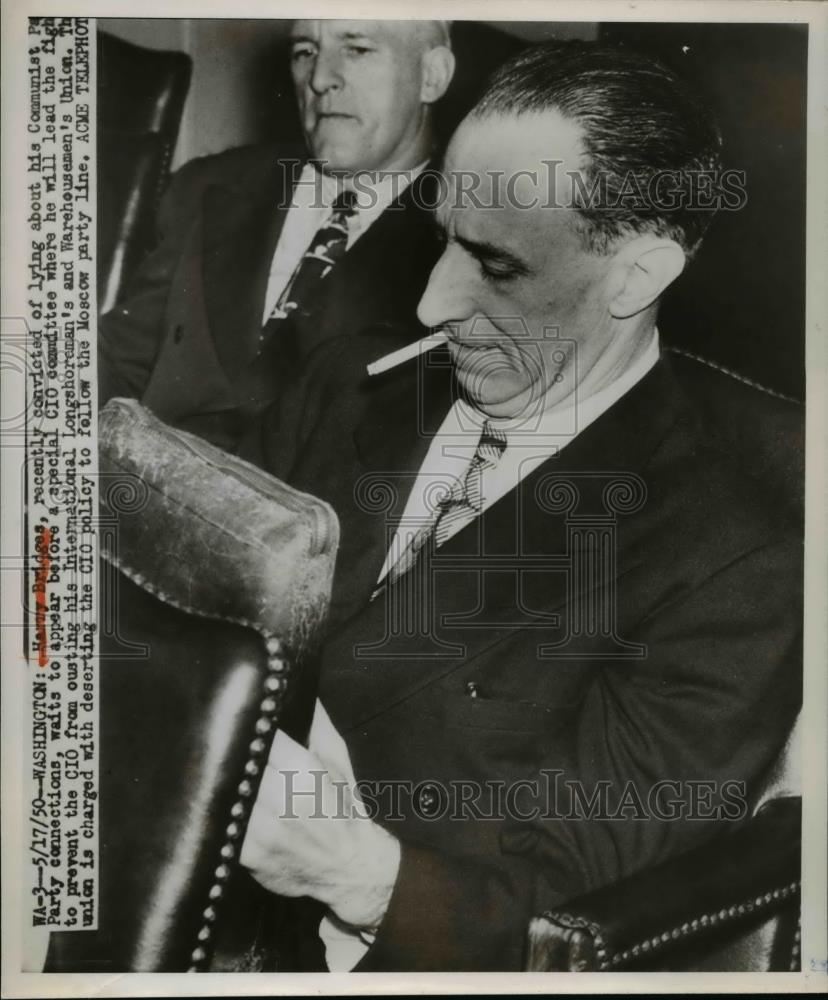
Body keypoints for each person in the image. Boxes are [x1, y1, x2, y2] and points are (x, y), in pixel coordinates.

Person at [237, 41, 802, 970]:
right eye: (442, 238)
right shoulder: (357, 384)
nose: (429, 306)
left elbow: (571, 906)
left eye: (495, 266)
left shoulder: (735, 560)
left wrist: (350, 870)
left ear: (638, 275)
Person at [98, 19, 455, 449]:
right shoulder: (210, 187)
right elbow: (119, 360)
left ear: (432, 76)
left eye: (357, 49)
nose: (320, 78)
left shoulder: (462, 242)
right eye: (305, 51)